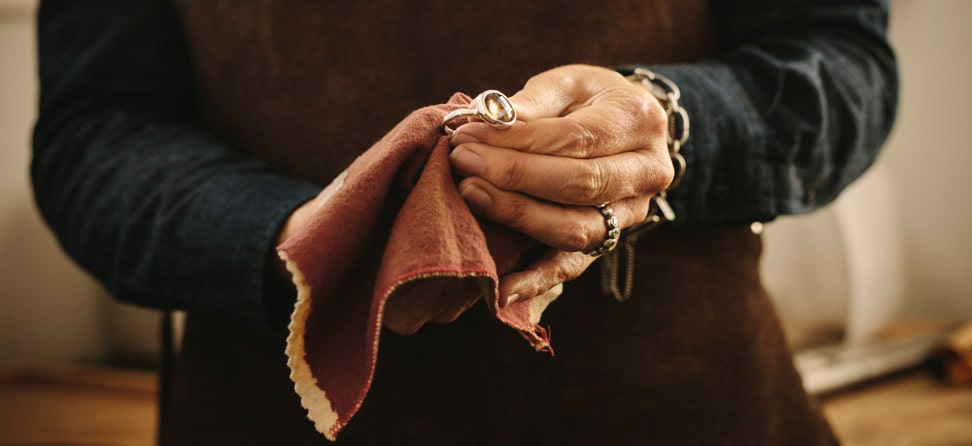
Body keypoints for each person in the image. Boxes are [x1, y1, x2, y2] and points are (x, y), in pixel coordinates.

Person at [32, 0, 897, 444]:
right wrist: (303, 242)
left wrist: (670, 124)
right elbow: (95, 134)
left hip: (692, 409)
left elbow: (840, 65)